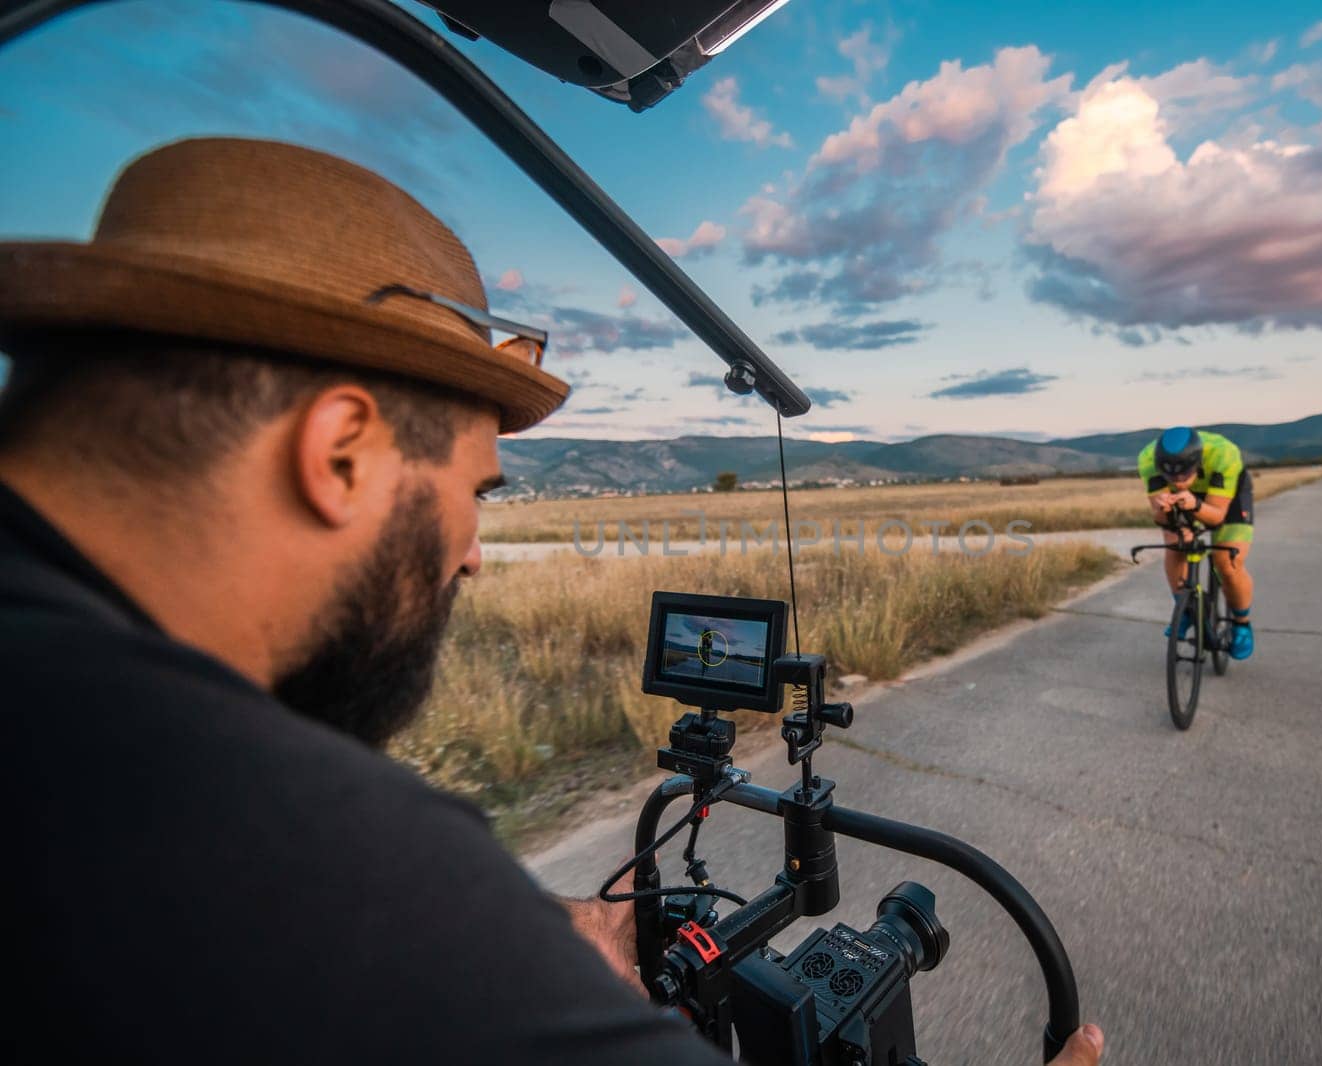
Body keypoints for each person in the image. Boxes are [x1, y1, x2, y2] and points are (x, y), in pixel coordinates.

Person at [0, 137, 1104, 1065]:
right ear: (339, 453)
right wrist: (487, 949)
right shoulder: (294, 857)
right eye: (475, 491)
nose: (474, 555)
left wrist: (524, 949)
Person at [1138, 426, 1256, 659]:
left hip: (1228, 498)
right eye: (1170, 475)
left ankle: (1242, 623)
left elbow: (1217, 517)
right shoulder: (1147, 459)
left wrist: (1196, 506)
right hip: (1186, 501)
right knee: (1176, 544)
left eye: (1184, 474)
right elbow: (1159, 519)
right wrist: (1163, 510)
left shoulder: (1224, 454)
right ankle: (1185, 610)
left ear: (1198, 461)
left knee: (1228, 562)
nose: (1178, 481)